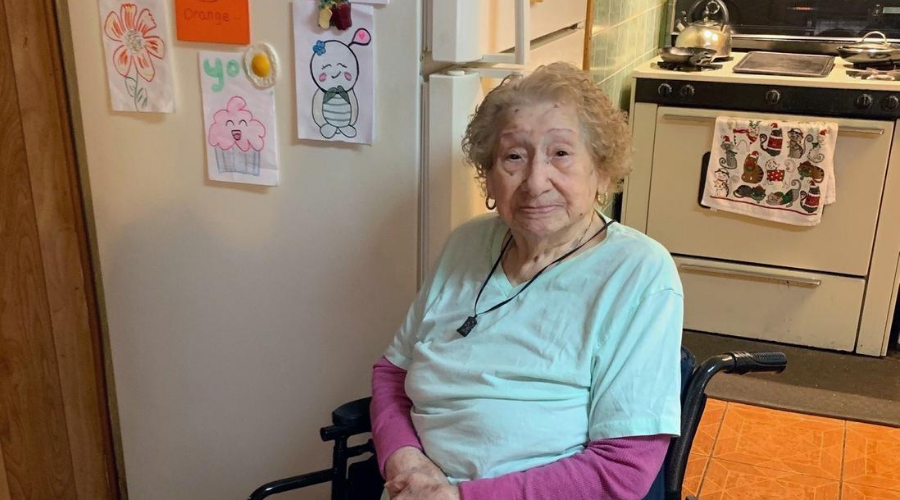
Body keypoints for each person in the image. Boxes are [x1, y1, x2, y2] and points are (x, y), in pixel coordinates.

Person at [370, 62, 683, 500]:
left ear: (602, 173)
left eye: (560, 154)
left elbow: (621, 468)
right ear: (490, 177)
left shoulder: (638, 272)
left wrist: (460, 498)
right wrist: (405, 461)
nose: (536, 182)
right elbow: (391, 374)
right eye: (514, 156)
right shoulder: (466, 244)